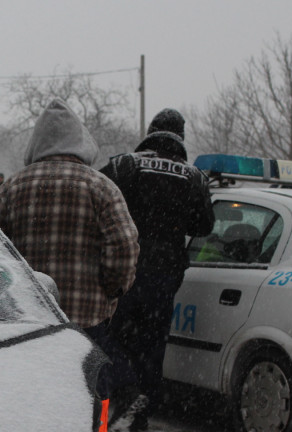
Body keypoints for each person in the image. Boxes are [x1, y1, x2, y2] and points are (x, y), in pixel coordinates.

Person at [0, 99, 141, 426]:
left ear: (37, 144)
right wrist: (111, 289)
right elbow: (125, 248)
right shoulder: (102, 187)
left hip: (29, 326)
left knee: (29, 403)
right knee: (90, 401)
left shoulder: (11, 188)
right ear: (81, 141)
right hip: (87, 326)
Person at [100, 108, 215, 432]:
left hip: (125, 269)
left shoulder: (126, 164)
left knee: (111, 338)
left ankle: (121, 397)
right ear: (180, 136)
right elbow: (204, 225)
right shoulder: (193, 176)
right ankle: (140, 414)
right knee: (151, 347)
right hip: (165, 276)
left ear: (151, 131)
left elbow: (100, 199)